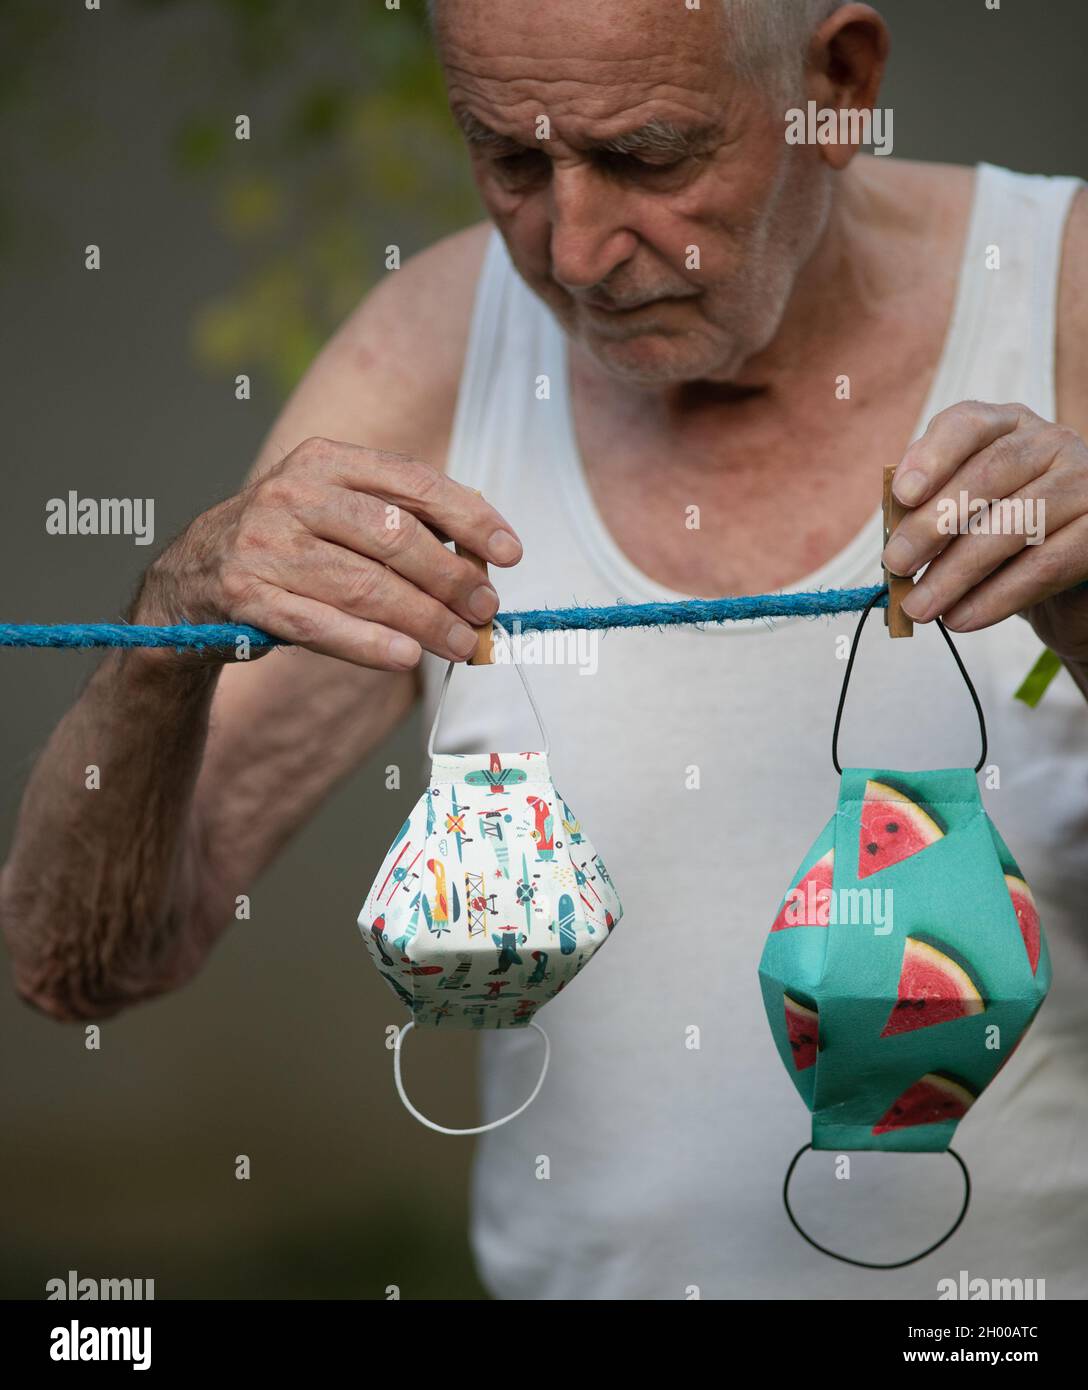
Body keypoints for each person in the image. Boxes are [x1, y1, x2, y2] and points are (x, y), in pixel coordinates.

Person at [3, 0, 1088, 1299]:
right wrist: (168, 624)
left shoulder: (1062, 301)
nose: (574, 250)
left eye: (648, 155)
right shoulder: (439, 353)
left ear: (841, 86)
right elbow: (79, 958)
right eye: (512, 159)